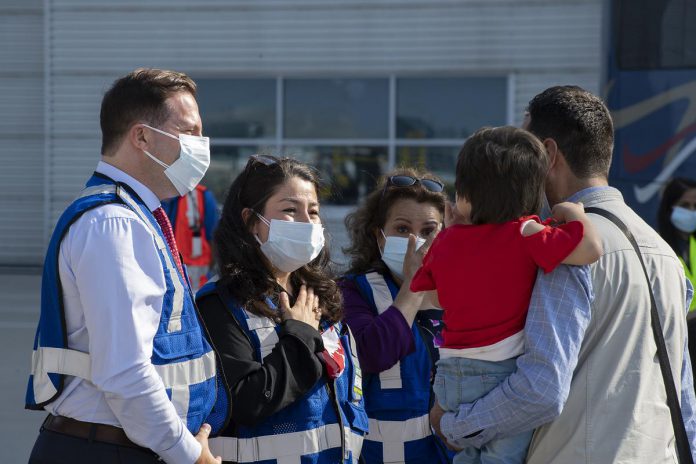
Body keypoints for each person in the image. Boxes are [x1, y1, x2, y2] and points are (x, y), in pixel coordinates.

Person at [430, 85, 696, 463]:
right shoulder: (664, 252)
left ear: (549, 154)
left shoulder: (561, 249)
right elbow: (683, 393)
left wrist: (454, 424)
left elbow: (541, 389)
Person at [25, 68, 225, 463]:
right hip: (105, 450)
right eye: (188, 131)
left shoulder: (134, 215)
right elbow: (124, 372)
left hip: (116, 445)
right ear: (142, 137)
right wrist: (190, 456)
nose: (200, 145)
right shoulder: (114, 224)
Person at [411, 126, 602, 463]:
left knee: (464, 457)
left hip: (450, 375)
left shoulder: (447, 240)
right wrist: (575, 214)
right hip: (498, 375)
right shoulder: (527, 232)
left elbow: (433, 298)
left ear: (464, 194)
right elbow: (590, 249)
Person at [196, 154, 368, 464]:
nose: (307, 222)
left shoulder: (322, 298)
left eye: (313, 211)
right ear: (252, 222)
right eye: (290, 210)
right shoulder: (221, 304)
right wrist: (300, 336)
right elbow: (247, 401)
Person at [340, 167, 451, 464]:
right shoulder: (354, 292)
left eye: (429, 231)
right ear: (379, 236)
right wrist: (414, 286)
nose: (416, 241)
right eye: (403, 229)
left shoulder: (465, 293)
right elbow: (372, 354)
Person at [658, 177, 696, 379]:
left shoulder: (694, 244)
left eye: (695, 206)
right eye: (685, 205)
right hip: (676, 339)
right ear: (670, 207)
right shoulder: (657, 247)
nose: (691, 211)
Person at [162, 183, 220, 292]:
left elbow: (214, 244)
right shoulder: (146, 197)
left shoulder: (203, 197)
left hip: (196, 292)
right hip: (160, 289)